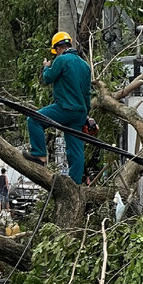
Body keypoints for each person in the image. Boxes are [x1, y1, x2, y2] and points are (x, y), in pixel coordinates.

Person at [23, 31, 92, 185]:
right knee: (76, 149)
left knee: (34, 120)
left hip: (65, 108)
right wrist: (86, 114)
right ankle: (75, 185)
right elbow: (88, 93)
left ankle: (40, 155)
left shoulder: (61, 60)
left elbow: (48, 78)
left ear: (58, 48)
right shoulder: (85, 66)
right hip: (80, 113)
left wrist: (46, 67)